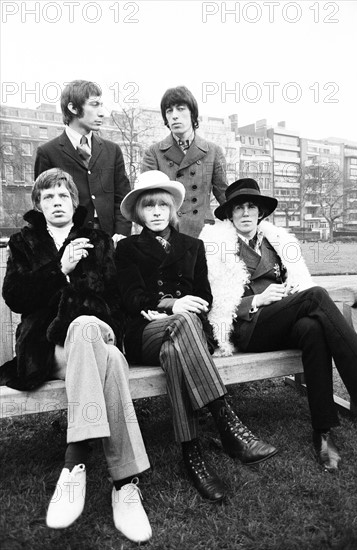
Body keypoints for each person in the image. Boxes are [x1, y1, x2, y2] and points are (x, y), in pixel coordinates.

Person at [1, 169, 151, 543]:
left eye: (63, 196)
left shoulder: (98, 241)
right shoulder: (23, 242)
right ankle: (125, 484)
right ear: (38, 204)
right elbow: (16, 297)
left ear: (74, 202)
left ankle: (75, 467)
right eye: (48, 197)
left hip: (95, 335)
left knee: (87, 328)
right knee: (111, 361)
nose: (56, 202)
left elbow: (114, 301)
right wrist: (60, 270)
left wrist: (81, 308)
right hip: (45, 348)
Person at [114, 170, 277, 503]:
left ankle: (193, 454)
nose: (156, 212)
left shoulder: (193, 246)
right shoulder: (128, 248)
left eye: (162, 205)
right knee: (183, 321)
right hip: (145, 332)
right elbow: (130, 298)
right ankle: (226, 422)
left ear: (172, 209)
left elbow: (205, 296)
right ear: (140, 213)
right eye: (148, 207)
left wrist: (186, 308)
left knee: (182, 338)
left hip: (184, 336)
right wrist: (171, 303)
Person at [199, 178, 357, 472]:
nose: (246, 213)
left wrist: (286, 293)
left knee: (313, 328)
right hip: (245, 327)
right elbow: (212, 301)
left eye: (251, 207)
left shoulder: (277, 241)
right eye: (239, 208)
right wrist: (257, 300)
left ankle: (323, 432)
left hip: (282, 320)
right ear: (230, 215)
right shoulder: (215, 246)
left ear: (260, 213)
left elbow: (297, 282)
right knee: (316, 297)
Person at [34, 80, 131, 241]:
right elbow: (43, 203)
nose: (101, 113)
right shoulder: (48, 153)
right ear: (73, 108)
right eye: (94, 105)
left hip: (110, 242)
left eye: (101, 105)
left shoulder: (112, 150)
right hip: (69, 244)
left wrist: (121, 235)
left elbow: (122, 199)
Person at [141, 86, 228, 238]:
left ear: (193, 114)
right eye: (169, 111)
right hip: (166, 234)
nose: (174, 116)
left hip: (203, 234)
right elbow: (146, 200)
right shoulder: (153, 153)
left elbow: (224, 196)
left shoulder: (213, 152)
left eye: (180, 109)